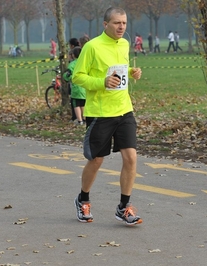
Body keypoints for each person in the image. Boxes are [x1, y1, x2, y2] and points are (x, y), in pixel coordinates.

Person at [72, 7, 143, 225]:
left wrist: (131, 72)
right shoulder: (92, 47)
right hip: (100, 113)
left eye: (124, 23)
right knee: (97, 160)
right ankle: (83, 199)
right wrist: (101, 82)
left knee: (131, 157)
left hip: (124, 109)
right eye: (116, 23)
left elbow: (119, 69)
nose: (121, 27)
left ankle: (124, 206)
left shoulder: (124, 44)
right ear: (105, 25)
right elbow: (78, 77)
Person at [63, 47, 86, 125]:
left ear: (73, 55)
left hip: (76, 88)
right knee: (83, 103)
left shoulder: (72, 64)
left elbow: (67, 74)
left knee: (76, 104)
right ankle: (85, 118)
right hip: (84, 87)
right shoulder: (84, 62)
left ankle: (80, 120)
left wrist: (66, 77)